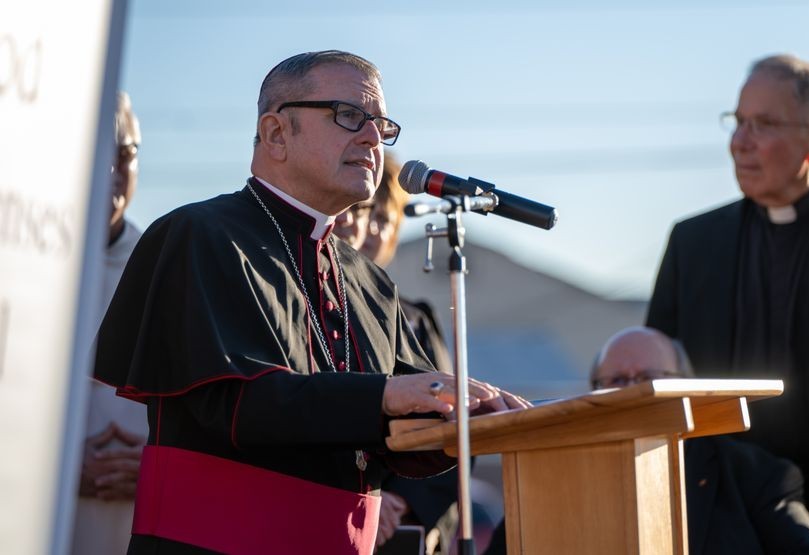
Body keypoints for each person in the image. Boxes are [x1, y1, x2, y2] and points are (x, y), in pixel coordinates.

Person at [93, 50, 529, 555]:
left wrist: (476, 415)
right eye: (350, 116)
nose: (372, 138)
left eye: (380, 125)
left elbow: (409, 432)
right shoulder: (201, 235)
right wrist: (387, 396)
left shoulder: (369, 281)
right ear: (277, 133)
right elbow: (239, 408)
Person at [645, 53, 809, 544]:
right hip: (721, 509)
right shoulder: (693, 244)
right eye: (737, 122)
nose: (740, 142)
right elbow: (655, 375)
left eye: (764, 124)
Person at [590, 327, 809, 555]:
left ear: (685, 385)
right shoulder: (571, 479)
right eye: (617, 381)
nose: (633, 392)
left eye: (648, 379)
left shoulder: (756, 476)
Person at [335, 153, 458, 554]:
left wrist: (400, 503)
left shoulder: (414, 320)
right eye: (361, 213)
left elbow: (447, 423)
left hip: (398, 530)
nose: (368, 230)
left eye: (382, 220)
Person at [72, 92, 147, 555]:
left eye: (126, 155)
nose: (114, 174)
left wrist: (159, 467)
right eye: (98, 153)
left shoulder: (164, 265)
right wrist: (52, 460)